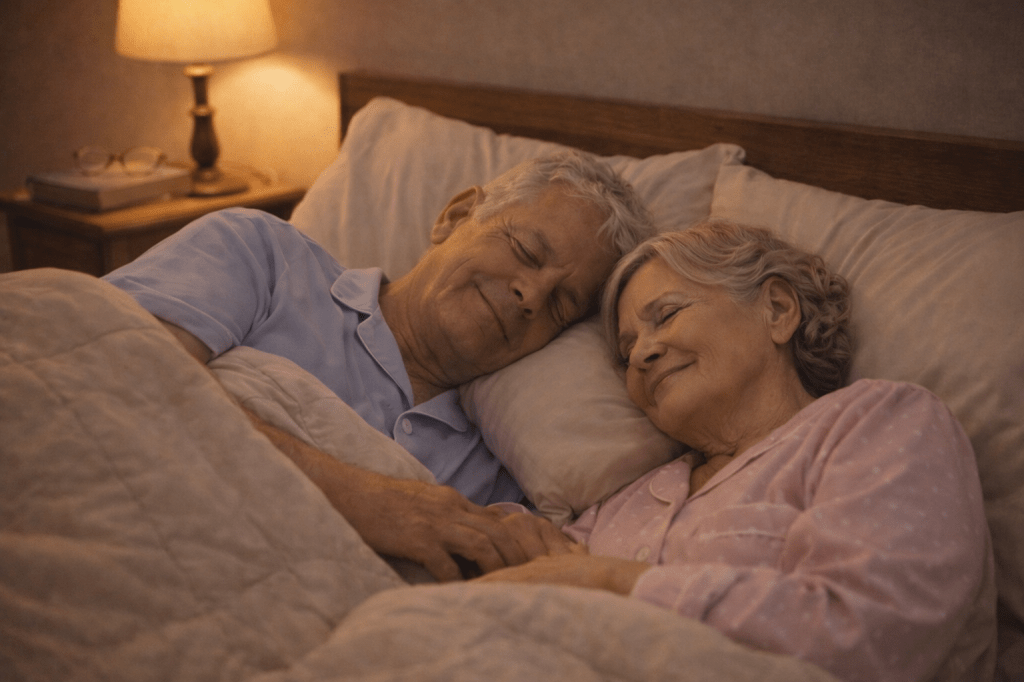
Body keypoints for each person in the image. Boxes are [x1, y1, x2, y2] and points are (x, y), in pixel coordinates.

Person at [103, 150, 655, 583]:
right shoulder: (262, 256)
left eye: (560, 305)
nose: (530, 294)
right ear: (456, 215)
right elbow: (115, 366)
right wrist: (371, 502)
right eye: (527, 252)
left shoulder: (500, 476)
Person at [477, 222, 996, 680]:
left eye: (667, 314)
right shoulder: (624, 499)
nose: (641, 354)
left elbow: (870, 637)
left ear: (776, 309)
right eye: (626, 348)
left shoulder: (882, 421)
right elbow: (529, 584)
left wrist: (611, 582)